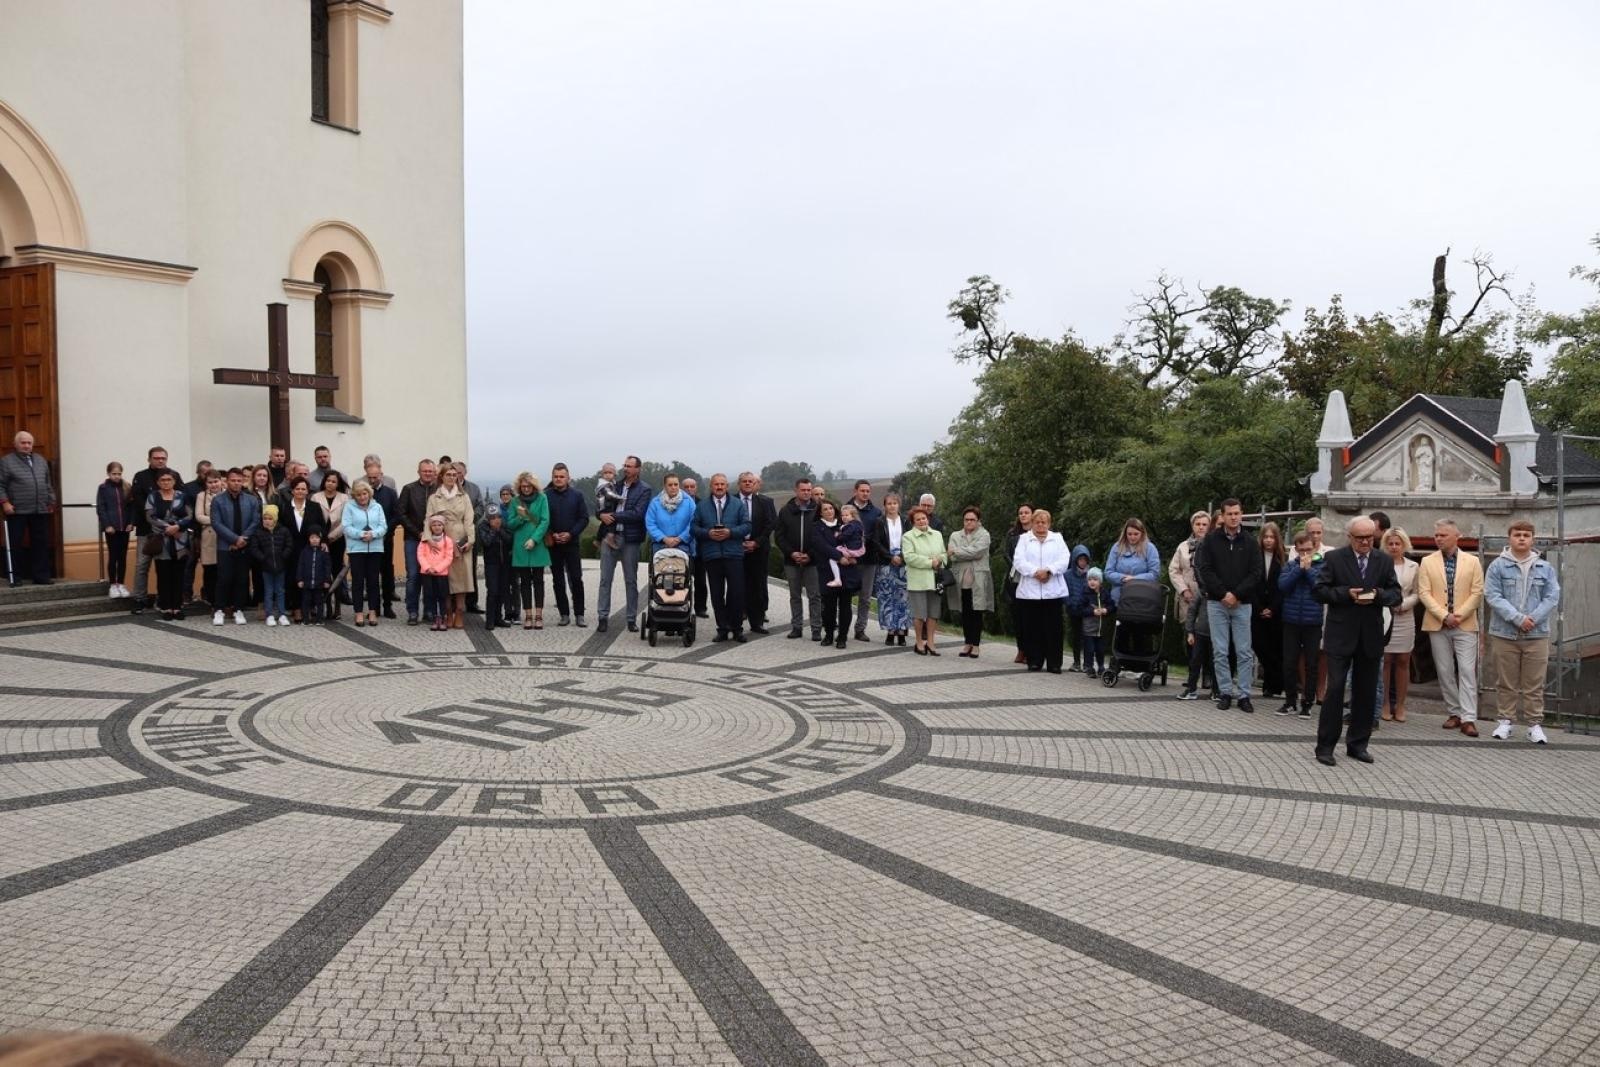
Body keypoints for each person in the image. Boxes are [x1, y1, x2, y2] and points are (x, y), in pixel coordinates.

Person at [1312, 516, 1401, 766]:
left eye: (1369, 537)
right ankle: (1325, 747)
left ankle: (1358, 744)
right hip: (1340, 635)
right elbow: (1319, 591)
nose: (1365, 542)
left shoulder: (1383, 560)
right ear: (1349, 537)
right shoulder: (1334, 558)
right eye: (1360, 537)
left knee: (1365, 692)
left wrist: (1379, 595)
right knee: (1336, 689)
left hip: (1370, 635)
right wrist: (1344, 594)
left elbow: (1396, 594)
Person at [1484, 520, 1561, 744]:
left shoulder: (1545, 568)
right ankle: (1505, 721)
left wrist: (1532, 619)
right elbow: (1493, 596)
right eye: (1517, 534)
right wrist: (1517, 619)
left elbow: (1552, 596)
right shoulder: (1497, 566)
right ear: (1509, 538)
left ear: (1532, 539)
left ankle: (1534, 724)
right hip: (1504, 633)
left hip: (1536, 634)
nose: (1521, 538)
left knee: (1534, 683)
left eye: (1526, 535)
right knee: (1505, 681)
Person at [1418, 518, 1485, 737]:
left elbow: (1477, 593)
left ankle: (1468, 717)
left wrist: (1459, 615)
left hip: (1464, 623)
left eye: (1443, 535)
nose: (1438, 539)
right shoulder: (1427, 561)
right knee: (1444, 671)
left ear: (1457, 536)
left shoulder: (1472, 561)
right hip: (1438, 623)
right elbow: (1424, 593)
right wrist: (1444, 615)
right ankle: (1454, 712)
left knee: (1466, 670)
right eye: (1436, 535)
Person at [1197, 500, 1263, 713]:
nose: (1233, 517)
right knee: (1220, 651)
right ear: (1223, 516)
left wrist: (1236, 594)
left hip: (1242, 604)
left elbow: (1255, 573)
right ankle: (1225, 691)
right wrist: (1223, 593)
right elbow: (1205, 570)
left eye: (1237, 513)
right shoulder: (1211, 540)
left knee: (1244, 651)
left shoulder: (1251, 542)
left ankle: (1244, 694)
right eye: (1229, 514)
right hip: (1217, 603)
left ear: (1241, 514)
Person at [694, 473, 751, 643]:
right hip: (712, 555)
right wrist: (708, 533)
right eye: (716, 484)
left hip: (733, 554)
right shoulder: (702, 506)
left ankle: (737, 629)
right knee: (717, 594)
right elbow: (694, 528)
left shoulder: (737, 504)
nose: (719, 487)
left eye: (722, 484)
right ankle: (722, 629)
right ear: (711, 486)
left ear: (727, 486)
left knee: (736, 593)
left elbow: (747, 526)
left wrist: (730, 532)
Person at [596, 455, 650, 633]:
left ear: (638, 469)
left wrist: (614, 516)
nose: (626, 468)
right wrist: (600, 515)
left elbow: (637, 514)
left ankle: (631, 619)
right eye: (624, 465)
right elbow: (601, 504)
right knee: (605, 579)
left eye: (629, 466)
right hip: (609, 536)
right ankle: (603, 617)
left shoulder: (644, 489)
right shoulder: (614, 485)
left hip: (630, 539)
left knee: (631, 581)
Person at [1012, 508, 1069, 672]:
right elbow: (1018, 560)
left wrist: (1049, 570)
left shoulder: (1057, 538)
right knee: (1032, 628)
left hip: (1053, 591)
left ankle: (1054, 663)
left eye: (1043, 522)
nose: (1040, 525)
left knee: (1053, 629)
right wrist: (1035, 572)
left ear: (1049, 524)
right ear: (1032, 524)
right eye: (1037, 522)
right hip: (1030, 591)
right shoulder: (1024, 539)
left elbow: (1065, 559)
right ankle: (1034, 661)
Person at [1275, 529, 1325, 717]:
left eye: (1308, 550)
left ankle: (1307, 703)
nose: (1305, 553)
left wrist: (1309, 570)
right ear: (1296, 549)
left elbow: (1320, 587)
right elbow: (1283, 586)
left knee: (1312, 664)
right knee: (1289, 662)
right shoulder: (1289, 566)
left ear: (1314, 549)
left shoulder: (1322, 566)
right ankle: (1290, 701)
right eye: (1301, 550)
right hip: (1291, 621)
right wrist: (1299, 569)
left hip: (1312, 621)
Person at [0, 430, 57, 587]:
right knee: (15, 543)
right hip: (17, 510)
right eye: (23, 442)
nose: (26, 445)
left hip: (40, 509)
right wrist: (5, 502)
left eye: (29, 443)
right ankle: (15, 577)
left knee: (41, 543)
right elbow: (1, 485)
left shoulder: (40, 460)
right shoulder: (6, 461)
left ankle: (41, 576)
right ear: (15, 444)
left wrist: (51, 501)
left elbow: (47, 483)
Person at [128, 445, 178, 611]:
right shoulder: (141, 477)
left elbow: (182, 499)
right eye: (156, 458)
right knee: (142, 565)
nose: (160, 460)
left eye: (163, 458)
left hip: (171, 532)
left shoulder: (174, 474)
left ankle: (163, 600)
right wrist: (158, 523)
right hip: (147, 530)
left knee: (165, 567)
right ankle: (139, 599)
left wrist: (173, 525)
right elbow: (140, 503)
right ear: (149, 459)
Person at [427, 462, 475, 629]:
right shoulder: (434, 498)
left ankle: (460, 612)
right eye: (448, 475)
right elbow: (428, 519)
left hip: (461, 539)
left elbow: (469, 519)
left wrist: (470, 539)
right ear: (442, 477)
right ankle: (447, 612)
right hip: (441, 539)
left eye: (454, 475)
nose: (452, 478)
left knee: (461, 579)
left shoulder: (464, 497)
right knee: (444, 579)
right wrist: (431, 540)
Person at [209, 468, 260, 626]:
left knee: (242, 579)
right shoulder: (218, 500)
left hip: (245, 545)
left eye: (239, 480)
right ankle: (219, 610)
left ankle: (239, 609)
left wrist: (243, 538)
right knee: (224, 578)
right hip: (226, 546)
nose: (236, 483)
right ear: (227, 481)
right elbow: (216, 523)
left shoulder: (251, 500)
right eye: (233, 480)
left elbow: (255, 521)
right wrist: (234, 539)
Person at [775, 478, 824, 640]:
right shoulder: (786, 511)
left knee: (814, 595)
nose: (807, 493)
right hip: (792, 561)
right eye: (803, 490)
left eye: (809, 490)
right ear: (796, 491)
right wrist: (792, 553)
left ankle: (816, 628)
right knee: (795, 595)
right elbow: (779, 537)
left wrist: (810, 554)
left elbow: (823, 536)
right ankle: (797, 626)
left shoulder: (818, 510)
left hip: (813, 560)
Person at [1379, 527, 1419, 722]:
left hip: (1405, 616)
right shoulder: (1380, 564)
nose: (1394, 547)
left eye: (1397, 543)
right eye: (1390, 543)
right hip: (1385, 616)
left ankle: (1401, 705)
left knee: (1403, 661)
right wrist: (1389, 603)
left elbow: (1417, 593)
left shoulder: (1413, 566)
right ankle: (1385, 703)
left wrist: (1403, 605)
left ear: (1404, 545)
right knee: (1385, 661)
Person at [544, 462, 590, 627]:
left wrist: (571, 534)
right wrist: (551, 533)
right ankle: (564, 614)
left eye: (561, 477)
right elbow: (542, 519)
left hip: (572, 543)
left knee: (576, 578)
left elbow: (584, 518)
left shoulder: (577, 495)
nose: (558, 479)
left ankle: (579, 614)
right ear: (552, 477)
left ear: (568, 478)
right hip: (554, 543)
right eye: (555, 477)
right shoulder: (545, 495)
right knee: (558, 580)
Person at [806, 499, 856, 648]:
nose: (829, 511)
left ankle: (842, 637)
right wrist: (839, 557)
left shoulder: (845, 525)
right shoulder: (816, 527)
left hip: (846, 570)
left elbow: (855, 541)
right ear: (820, 512)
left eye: (831, 508)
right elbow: (821, 546)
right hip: (827, 571)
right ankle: (828, 634)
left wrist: (852, 556)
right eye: (825, 509)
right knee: (829, 606)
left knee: (846, 605)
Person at [945, 506, 993, 658]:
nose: (969, 522)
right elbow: (951, 556)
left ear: (978, 521)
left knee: (976, 612)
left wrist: (958, 551)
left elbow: (977, 552)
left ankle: (976, 645)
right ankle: (967, 643)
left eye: (973, 519)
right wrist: (964, 552)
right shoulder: (955, 535)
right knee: (965, 612)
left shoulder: (984, 534)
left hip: (977, 579)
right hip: (961, 580)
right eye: (966, 519)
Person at [505, 472, 551, 630]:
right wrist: (521, 517)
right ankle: (528, 615)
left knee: (538, 581)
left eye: (528, 486)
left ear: (534, 486)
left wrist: (535, 539)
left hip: (537, 544)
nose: (525, 489)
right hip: (521, 546)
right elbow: (510, 523)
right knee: (524, 582)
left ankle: (539, 615)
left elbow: (545, 521)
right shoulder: (515, 501)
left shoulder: (542, 498)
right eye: (523, 486)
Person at [397, 459, 439, 626]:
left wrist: (432, 534)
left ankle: (429, 611)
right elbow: (401, 513)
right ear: (419, 472)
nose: (428, 474)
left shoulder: (438, 490)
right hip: (413, 539)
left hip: (434, 541)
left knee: (429, 576)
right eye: (425, 471)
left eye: (430, 471)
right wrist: (419, 532)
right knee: (413, 576)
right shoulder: (409, 489)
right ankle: (412, 611)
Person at [902, 505, 947, 656]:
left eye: (923, 518)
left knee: (933, 613)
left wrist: (940, 561)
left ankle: (931, 642)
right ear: (913, 522)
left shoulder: (937, 534)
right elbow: (909, 557)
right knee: (919, 614)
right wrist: (930, 562)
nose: (921, 521)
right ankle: (919, 642)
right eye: (918, 519)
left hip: (935, 579)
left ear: (928, 519)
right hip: (918, 580)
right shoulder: (908, 537)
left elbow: (943, 554)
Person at [145, 470, 191, 621]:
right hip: (162, 540)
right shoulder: (153, 496)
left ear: (174, 481)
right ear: (158, 482)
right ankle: (166, 607)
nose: (166, 482)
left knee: (179, 575)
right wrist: (168, 528)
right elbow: (150, 517)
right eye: (163, 480)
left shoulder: (182, 496)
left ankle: (177, 607)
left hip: (180, 540)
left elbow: (189, 515)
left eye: (169, 479)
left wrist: (177, 526)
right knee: (164, 575)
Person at [343, 478, 388, 627]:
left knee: (373, 581)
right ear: (354, 496)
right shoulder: (349, 507)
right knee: (357, 581)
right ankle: (358, 612)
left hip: (375, 548)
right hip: (357, 549)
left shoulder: (378, 507)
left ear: (369, 494)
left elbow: (383, 526)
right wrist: (361, 534)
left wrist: (373, 534)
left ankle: (373, 611)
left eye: (364, 494)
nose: (362, 497)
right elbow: (346, 527)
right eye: (358, 495)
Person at [738, 472, 777, 634]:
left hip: (759, 550)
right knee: (737, 585)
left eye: (751, 481)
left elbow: (770, 523)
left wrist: (756, 542)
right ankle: (737, 617)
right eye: (745, 481)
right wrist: (739, 541)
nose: (748, 484)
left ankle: (757, 622)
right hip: (737, 549)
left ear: (755, 484)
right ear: (739, 484)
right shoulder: (731, 501)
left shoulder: (765, 502)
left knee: (758, 586)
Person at [870, 493, 910, 646]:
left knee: (902, 598)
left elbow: (909, 540)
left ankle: (901, 632)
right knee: (887, 598)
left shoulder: (905, 520)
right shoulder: (879, 522)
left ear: (899, 505)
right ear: (884, 506)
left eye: (895, 503)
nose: (892, 506)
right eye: (889, 503)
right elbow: (876, 542)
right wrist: (889, 556)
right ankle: (890, 631)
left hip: (902, 563)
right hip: (886, 563)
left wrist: (901, 555)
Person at [363, 456, 401, 616]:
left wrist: (385, 531)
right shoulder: (363, 493)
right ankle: (374, 607)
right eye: (370, 477)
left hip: (386, 539)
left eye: (375, 477)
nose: (372, 480)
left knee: (386, 573)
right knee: (371, 574)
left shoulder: (390, 493)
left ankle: (387, 605)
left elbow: (396, 514)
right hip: (367, 540)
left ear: (381, 475)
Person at [1254, 521, 1287, 699]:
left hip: (1276, 611)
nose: (1268, 540)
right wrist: (1259, 607)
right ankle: (1270, 681)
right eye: (1265, 537)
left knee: (1276, 648)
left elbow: (1283, 587)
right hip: (1257, 609)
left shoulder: (1282, 559)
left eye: (1271, 537)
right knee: (1260, 646)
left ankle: (1273, 685)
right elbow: (1252, 583)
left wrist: (1272, 608)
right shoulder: (1255, 558)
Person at [847, 481, 883, 642]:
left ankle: (860, 629)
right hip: (849, 560)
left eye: (868, 491)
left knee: (865, 597)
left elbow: (878, 536)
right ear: (855, 491)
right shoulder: (846, 510)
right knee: (846, 595)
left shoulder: (875, 512)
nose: (865, 494)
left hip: (869, 559)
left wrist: (863, 542)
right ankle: (843, 627)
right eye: (862, 491)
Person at [1000, 504, 1035, 663]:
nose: (1023, 515)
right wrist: (1017, 565)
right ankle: (1021, 649)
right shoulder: (1012, 533)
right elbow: (1005, 552)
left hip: (1033, 577)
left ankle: (1031, 650)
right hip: (1015, 577)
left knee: (1030, 617)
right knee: (1017, 616)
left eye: (1026, 512)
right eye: (1020, 513)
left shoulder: (1037, 533)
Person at [315, 471, 350, 618]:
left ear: (338, 483)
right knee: (323, 573)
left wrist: (331, 537)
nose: (330, 483)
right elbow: (314, 518)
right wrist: (322, 539)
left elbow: (346, 521)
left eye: (333, 481)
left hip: (337, 540)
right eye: (328, 480)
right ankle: (326, 605)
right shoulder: (316, 497)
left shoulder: (344, 498)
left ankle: (337, 607)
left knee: (336, 571)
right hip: (320, 541)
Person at [96, 462, 134, 597]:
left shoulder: (127, 487)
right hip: (111, 528)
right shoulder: (103, 488)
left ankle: (121, 584)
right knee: (113, 556)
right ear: (108, 474)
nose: (116, 476)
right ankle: (113, 584)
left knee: (122, 557)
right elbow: (101, 508)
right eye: (114, 474)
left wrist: (131, 523)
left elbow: (131, 507)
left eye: (119, 474)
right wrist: (107, 525)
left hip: (124, 528)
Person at [1104, 517, 1160, 606]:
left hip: (1143, 596)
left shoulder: (1150, 548)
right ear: (1125, 534)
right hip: (1119, 597)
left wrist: (1134, 579)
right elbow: (1108, 572)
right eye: (1129, 534)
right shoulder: (1116, 547)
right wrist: (1123, 578)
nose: (1132, 537)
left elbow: (1154, 574)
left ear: (1142, 533)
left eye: (1136, 534)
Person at [477, 504, 513, 632]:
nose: (496, 520)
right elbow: (485, 543)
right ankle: (490, 620)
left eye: (498, 517)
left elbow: (510, 540)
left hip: (505, 564)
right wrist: (493, 530)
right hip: (491, 564)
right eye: (492, 518)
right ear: (488, 518)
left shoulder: (504, 525)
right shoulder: (482, 527)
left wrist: (500, 530)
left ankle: (499, 617)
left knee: (503, 590)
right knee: (492, 591)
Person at [192, 470, 224, 608]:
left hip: (224, 536)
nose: (213, 485)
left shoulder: (227, 494)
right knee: (210, 570)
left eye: (216, 481)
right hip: (208, 536)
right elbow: (199, 516)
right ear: (206, 484)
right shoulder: (201, 496)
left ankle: (224, 601)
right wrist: (217, 521)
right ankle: (212, 601)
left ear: (221, 481)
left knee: (224, 570)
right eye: (210, 482)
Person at [418, 514, 455, 631]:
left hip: (441, 574)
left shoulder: (447, 541)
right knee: (430, 596)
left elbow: (448, 557)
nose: (437, 527)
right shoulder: (424, 540)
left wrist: (437, 569)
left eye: (439, 525)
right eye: (434, 525)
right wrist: (428, 567)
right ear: (430, 527)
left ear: (443, 526)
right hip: (427, 573)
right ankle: (434, 618)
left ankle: (442, 617)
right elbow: (420, 555)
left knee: (442, 596)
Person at [1169, 510, 1210, 613]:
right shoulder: (1183, 547)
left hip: (1209, 597)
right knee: (1188, 627)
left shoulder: (1215, 545)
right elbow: (1173, 570)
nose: (1201, 527)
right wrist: (1184, 590)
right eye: (1198, 524)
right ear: (1192, 526)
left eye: (1204, 524)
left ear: (1209, 526)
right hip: (1187, 596)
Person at [681, 477, 710, 619]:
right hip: (682, 547)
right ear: (682, 488)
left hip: (699, 547)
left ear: (696, 488)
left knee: (700, 580)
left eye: (692, 486)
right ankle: (680, 606)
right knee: (681, 579)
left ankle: (701, 608)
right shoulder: (677, 503)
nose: (689, 489)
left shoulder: (703, 504)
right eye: (686, 487)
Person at [1063, 543, 1092, 671]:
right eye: (1080, 559)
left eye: (1085, 560)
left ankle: (1087, 663)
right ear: (1075, 560)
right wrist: (1069, 603)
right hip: (1073, 611)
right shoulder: (1067, 575)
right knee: (1076, 637)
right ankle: (1076, 662)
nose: (1083, 562)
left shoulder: (1091, 575)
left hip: (1086, 611)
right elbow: (1063, 592)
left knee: (1087, 637)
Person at [826, 504, 868, 587]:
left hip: (851, 549)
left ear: (853, 516)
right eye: (842, 515)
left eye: (846, 515)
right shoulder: (858, 525)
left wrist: (838, 536)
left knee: (832, 559)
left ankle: (837, 579)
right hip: (858, 549)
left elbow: (845, 536)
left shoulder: (850, 526)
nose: (844, 517)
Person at [296, 530, 333, 624]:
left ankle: (319, 619)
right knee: (306, 601)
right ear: (309, 539)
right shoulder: (304, 551)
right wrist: (299, 579)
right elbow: (300, 566)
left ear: (320, 539)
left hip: (319, 583)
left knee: (319, 602)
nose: (314, 540)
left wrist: (327, 580)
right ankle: (306, 619)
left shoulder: (324, 552)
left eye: (317, 538)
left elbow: (327, 567)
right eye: (312, 538)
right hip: (307, 582)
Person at [1081, 567, 1110, 675]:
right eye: (1090, 579)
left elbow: (1112, 605)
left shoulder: (1105, 593)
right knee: (1089, 649)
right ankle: (1089, 667)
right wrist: (1092, 611)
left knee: (1100, 650)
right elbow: (1081, 608)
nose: (1092, 582)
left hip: (1101, 629)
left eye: (1095, 579)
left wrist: (1106, 610)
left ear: (1100, 581)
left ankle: (1101, 666)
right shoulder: (1085, 593)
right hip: (1089, 629)